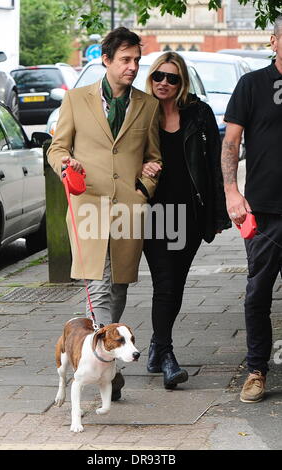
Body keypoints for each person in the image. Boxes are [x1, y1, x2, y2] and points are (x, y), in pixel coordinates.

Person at [47, 27, 162, 400]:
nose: (133, 67)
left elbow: (154, 157)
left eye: (136, 61)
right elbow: (57, 146)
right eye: (125, 60)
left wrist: (145, 187)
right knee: (96, 287)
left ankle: (104, 357)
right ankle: (101, 369)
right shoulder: (77, 100)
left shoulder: (147, 104)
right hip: (88, 208)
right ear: (106, 60)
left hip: (128, 211)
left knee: (118, 288)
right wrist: (67, 165)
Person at [142, 52, 231, 389]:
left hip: (189, 216)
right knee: (165, 281)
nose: (164, 83)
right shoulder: (140, 112)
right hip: (153, 213)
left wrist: (218, 213)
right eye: (158, 77)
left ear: (182, 82)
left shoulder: (199, 113)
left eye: (172, 78)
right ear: (151, 79)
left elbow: (213, 166)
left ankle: (155, 346)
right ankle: (166, 355)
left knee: (175, 284)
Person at [221, 16, 282, 403]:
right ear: (275, 41)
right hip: (264, 209)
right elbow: (231, 143)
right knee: (257, 293)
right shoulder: (252, 84)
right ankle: (257, 370)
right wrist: (231, 191)